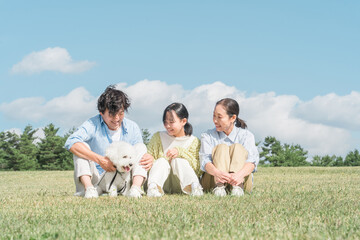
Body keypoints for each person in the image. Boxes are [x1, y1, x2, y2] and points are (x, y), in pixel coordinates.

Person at [64, 85, 154, 198]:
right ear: (101, 113)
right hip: (97, 180)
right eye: (112, 114)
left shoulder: (132, 127)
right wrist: (100, 160)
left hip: (123, 180)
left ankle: (135, 189)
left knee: (141, 147)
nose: (116, 118)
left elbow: (139, 155)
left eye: (121, 113)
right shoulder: (92, 124)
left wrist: (148, 158)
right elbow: (70, 142)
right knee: (80, 145)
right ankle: (89, 189)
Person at [199, 98, 259, 197]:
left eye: (219, 117)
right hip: (212, 181)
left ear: (233, 118)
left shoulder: (246, 136)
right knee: (221, 148)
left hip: (240, 181)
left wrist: (238, 175)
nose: (215, 120)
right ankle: (219, 188)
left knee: (237, 148)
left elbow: (252, 162)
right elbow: (205, 161)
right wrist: (218, 173)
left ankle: (237, 188)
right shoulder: (207, 135)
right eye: (214, 116)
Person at [146, 103, 203, 197]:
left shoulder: (194, 141)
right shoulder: (158, 137)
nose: (167, 126)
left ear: (183, 121)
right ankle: (153, 188)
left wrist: (180, 152)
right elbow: (149, 162)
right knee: (161, 161)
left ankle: (195, 188)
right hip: (162, 183)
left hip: (183, 184)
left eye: (171, 122)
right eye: (165, 122)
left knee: (179, 160)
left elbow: (198, 170)